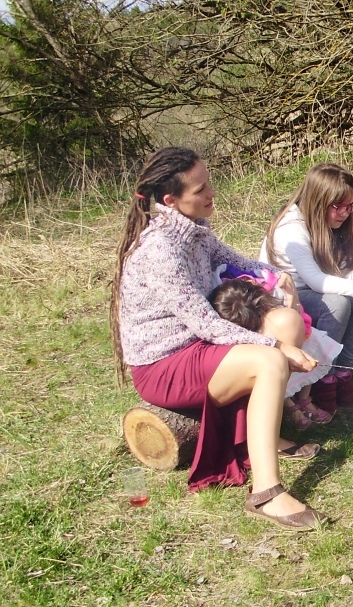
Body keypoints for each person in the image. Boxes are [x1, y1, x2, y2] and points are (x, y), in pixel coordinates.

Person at [111, 147, 326, 531]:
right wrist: (277, 348)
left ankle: (267, 439)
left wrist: (278, 276)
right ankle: (267, 494)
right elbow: (207, 324)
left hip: (198, 347)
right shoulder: (160, 250)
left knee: (284, 324)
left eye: (209, 183)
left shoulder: (194, 230)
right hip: (164, 366)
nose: (212, 193)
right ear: (170, 201)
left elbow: (240, 261)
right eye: (200, 189)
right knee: (269, 360)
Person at [261, 163, 353, 412]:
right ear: (318, 201)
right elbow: (315, 280)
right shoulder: (291, 229)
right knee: (336, 304)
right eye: (338, 206)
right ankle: (323, 378)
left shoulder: (330, 223)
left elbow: (344, 267)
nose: (344, 213)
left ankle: (343, 370)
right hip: (283, 298)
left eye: (350, 206)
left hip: (311, 289)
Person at [207, 275, 344, 428]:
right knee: (280, 373)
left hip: (300, 338)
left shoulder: (273, 299)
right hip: (274, 350)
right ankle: (287, 404)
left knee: (305, 361)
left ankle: (300, 399)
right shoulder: (241, 327)